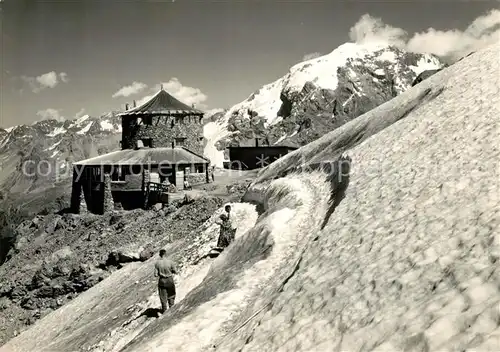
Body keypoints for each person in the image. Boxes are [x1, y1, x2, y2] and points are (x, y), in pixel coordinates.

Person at [154, 249, 178, 313]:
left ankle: (164, 311)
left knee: (163, 296)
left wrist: (160, 272)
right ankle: (172, 308)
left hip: (162, 280)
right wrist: (171, 271)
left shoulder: (157, 263)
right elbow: (176, 271)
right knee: (171, 294)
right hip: (169, 279)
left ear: (160, 255)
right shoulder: (170, 262)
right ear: (165, 254)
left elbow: (155, 275)